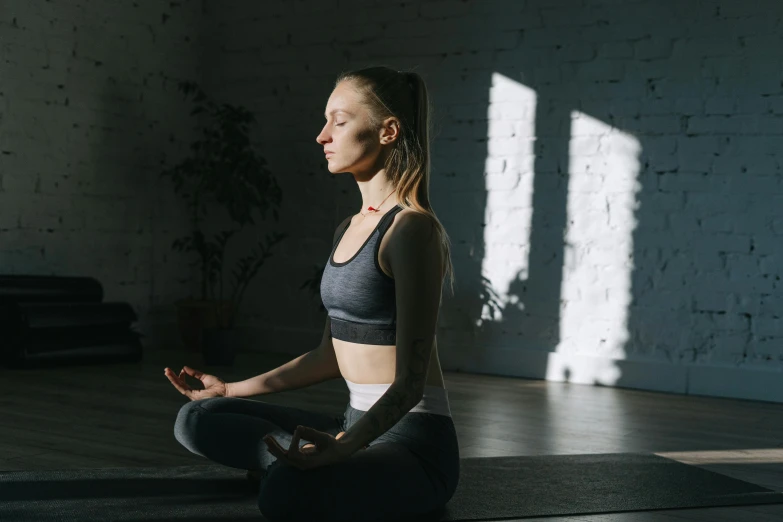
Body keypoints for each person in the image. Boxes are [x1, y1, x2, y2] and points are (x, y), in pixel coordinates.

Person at [164, 66, 459, 522]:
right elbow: (327, 355)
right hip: (351, 424)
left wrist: (343, 449)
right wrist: (229, 389)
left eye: (338, 122)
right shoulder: (348, 229)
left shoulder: (411, 230)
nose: (322, 136)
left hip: (412, 442)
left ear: (388, 130)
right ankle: (301, 463)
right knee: (198, 418)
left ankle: (298, 467)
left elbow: (411, 383)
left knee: (285, 494)